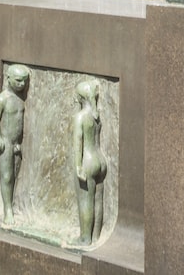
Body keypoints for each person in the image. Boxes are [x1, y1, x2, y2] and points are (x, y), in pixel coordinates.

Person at [0, 65, 30, 224]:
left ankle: (12, 204)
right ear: (8, 79)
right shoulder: (2, 99)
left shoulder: (22, 98)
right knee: (7, 176)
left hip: (17, 144)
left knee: (15, 175)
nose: (22, 84)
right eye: (18, 80)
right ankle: (7, 210)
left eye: (25, 81)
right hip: (6, 142)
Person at [72, 79, 107, 245]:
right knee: (98, 200)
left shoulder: (80, 117)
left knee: (86, 201)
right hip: (100, 160)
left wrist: (78, 166)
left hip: (88, 162)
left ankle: (85, 239)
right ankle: (96, 236)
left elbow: (78, 141)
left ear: (80, 98)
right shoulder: (96, 116)